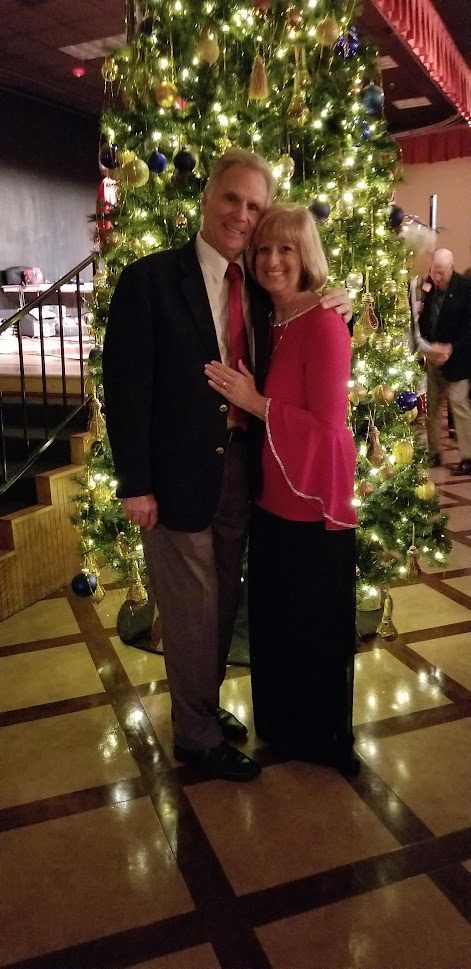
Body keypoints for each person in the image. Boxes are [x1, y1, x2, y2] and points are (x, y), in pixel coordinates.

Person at [103, 149, 352, 783]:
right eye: (231, 199)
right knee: (192, 611)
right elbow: (125, 389)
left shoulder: (264, 292)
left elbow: (305, 321)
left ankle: (204, 706)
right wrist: (136, 484)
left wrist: (337, 299)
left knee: (220, 603)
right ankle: (196, 737)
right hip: (174, 480)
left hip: (244, 472)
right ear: (207, 199)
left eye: (254, 206)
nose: (242, 214)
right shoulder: (150, 280)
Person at [204, 203, 358, 774]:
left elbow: (330, 427)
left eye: (286, 249)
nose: (272, 260)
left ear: (305, 254)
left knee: (312, 626)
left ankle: (319, 737)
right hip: (270, 498)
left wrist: (256, 403)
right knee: (279, 622)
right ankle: (284, 728)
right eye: (264, 248)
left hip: (313, 505)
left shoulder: (324, 322)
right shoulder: (272, 317)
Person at [417, 248, 471, 474]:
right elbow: (425, 319)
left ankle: (468, 457)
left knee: (459, 405)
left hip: (458, 359)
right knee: (432, 407)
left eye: (442, 272)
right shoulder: (428, 285)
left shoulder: (465, 288)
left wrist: (450, 349)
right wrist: (428, 347)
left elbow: (469, 328)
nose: (437, 277)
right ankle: (434, 452)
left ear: (451, 268)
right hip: (433, 356)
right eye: (434, 271)